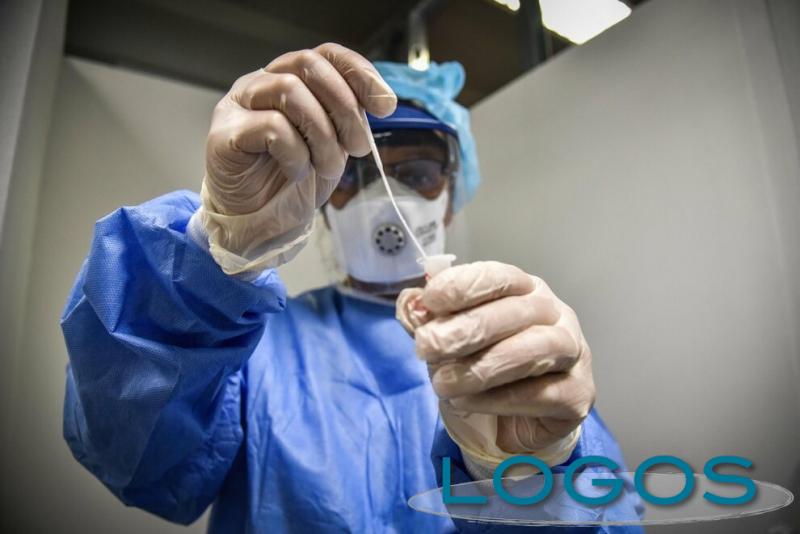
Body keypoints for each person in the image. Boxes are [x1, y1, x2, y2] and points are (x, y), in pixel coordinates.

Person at [62, 43, 640, 532]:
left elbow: (606, 514)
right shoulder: (256, 350)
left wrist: (527, 471)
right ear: (322, 199)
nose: (385, 199)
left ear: (451, 193)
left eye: (419, 174)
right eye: (352, 176)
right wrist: (213, 252)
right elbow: (137, 459)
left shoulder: (514, 348)